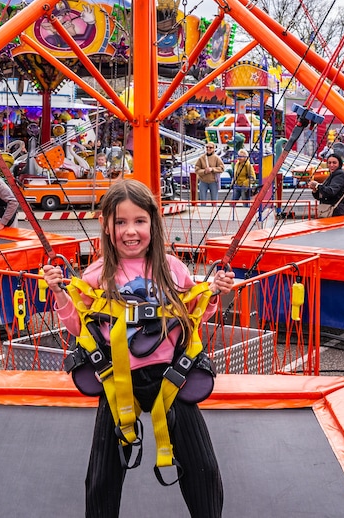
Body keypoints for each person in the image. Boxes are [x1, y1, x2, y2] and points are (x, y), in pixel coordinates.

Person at [41, 180, 235, 518]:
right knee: (102, 478)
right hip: (118, 383)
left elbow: (195, 312)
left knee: (203, 468)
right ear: (107, 227)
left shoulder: (172, 269)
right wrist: (59, 292)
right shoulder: (98, 274)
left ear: (153, 224)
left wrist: (217, 292)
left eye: (139, 221)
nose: (130, 232)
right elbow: (78, 327)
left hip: (171, 380)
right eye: (120, 222)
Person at [308, 154, 344, 218]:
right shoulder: (331, 175)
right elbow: (321, 196)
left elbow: (331, 191)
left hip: (336, 211)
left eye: (334, 163)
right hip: (329, 211)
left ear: (339, 164)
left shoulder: (340, 175)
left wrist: (317, 185)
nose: (331, 165)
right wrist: (315, 190)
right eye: (329, 163)